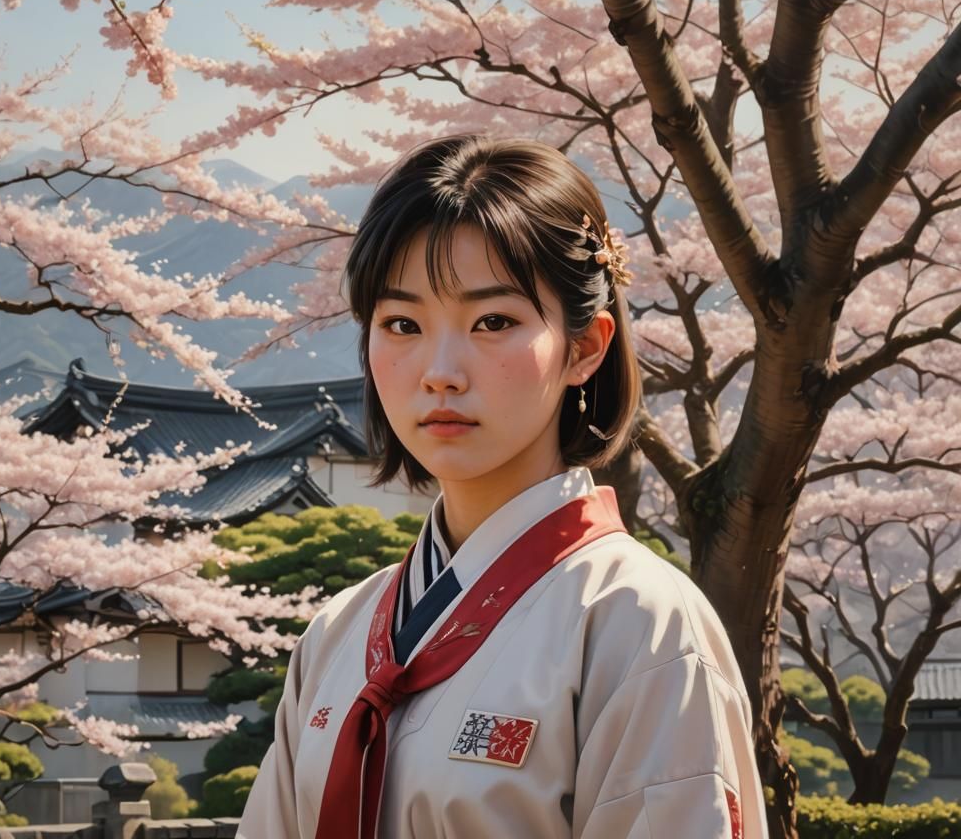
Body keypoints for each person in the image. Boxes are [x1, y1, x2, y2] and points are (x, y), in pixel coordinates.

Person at [236, 135, 768, 838]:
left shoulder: (639, 624)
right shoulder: (339, 634)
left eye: (494, 321)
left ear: (585, 347)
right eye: (402, 324)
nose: (441, 371)